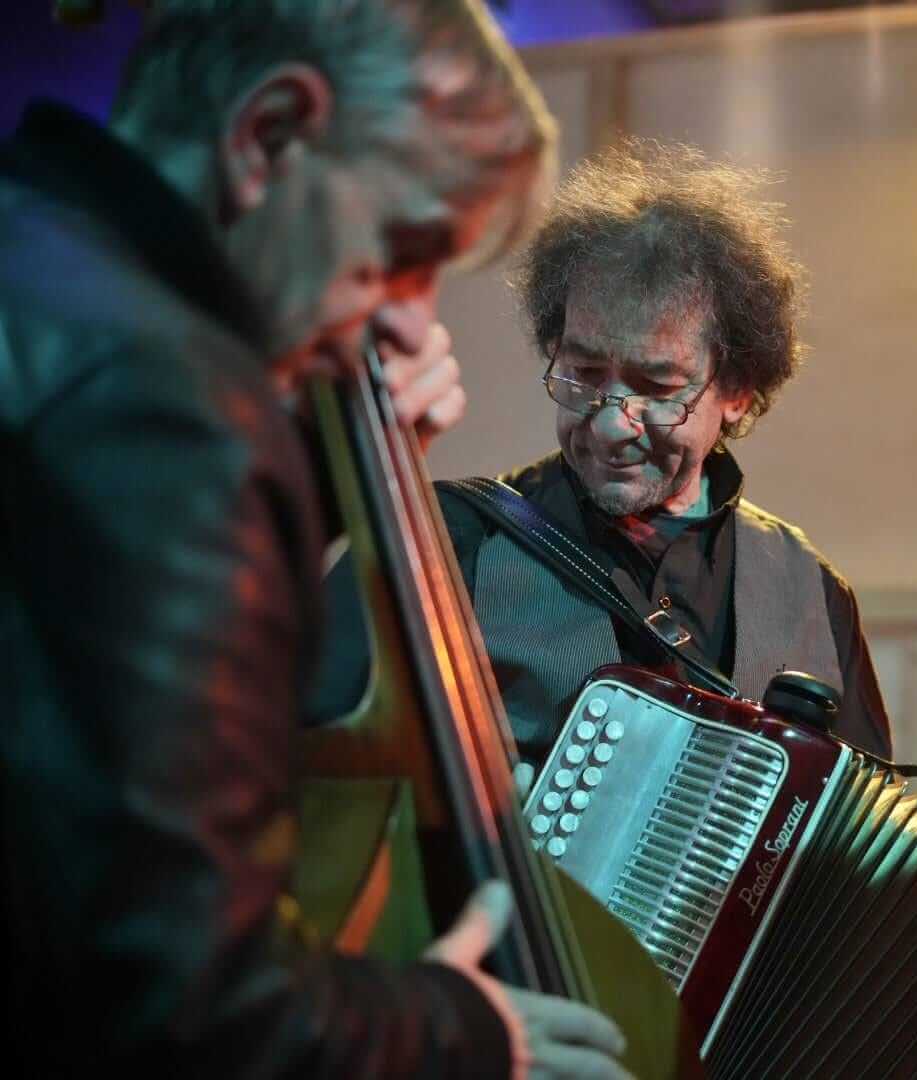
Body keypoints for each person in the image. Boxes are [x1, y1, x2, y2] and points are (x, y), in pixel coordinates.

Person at [1, 1, 632, 1076]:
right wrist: (467, 1030)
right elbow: (186, 1007)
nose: (408, 319)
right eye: (408, 247)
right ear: (271, 135)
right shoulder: (171, 410)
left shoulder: (35, 251)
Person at [312, 140, 894, 768]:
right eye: (585, 375)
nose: (613, 426)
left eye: (657, 387)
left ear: (736, 392)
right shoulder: (445, 544)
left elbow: (859, 836)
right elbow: (318, 780)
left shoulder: (812, 592)